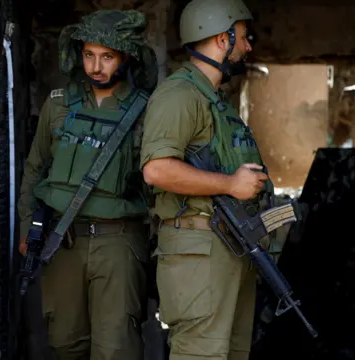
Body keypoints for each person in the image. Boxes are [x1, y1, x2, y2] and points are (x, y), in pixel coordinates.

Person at [16, 9, 158, 360]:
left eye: (107, 57)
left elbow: (158, 183)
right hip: (63, 240)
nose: (96, 66)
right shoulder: (59, 105)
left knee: (116, 349)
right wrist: (25, 228)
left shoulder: (147, 111)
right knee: (64, 343)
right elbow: (35, 169)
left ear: (125, 57)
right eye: (89, 55)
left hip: (119, 241)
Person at [140, 0, 273, 358]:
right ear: (221, 37)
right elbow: (157, 169)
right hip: (199, 251)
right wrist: (230, 185)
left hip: (230, 247)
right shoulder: (180, 95)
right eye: (243, 38)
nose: (248, 47)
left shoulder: (216, 100)